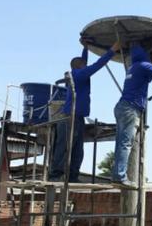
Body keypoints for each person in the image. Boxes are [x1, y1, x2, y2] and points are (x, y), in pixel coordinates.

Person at [49, 39, 120, 182]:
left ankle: (72, 176)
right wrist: (113, 49)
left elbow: (84, 62)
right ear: (80, 66)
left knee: (77, 149)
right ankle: (56, 175)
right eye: (84, 64)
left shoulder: (78, 73)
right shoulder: (79, 75)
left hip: (78, 116)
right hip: (70, 116)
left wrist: (86, 48)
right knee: (64, 146)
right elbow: (98, 65)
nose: (86, 65)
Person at [112, 44, 152, 188]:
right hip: (131, 108)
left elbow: (147, 79)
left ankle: (117, 175)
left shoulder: (133, 67)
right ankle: (120, 177)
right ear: (145, 56)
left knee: (120, 143)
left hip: (122, 107)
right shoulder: (143, 65)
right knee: (126, 143)